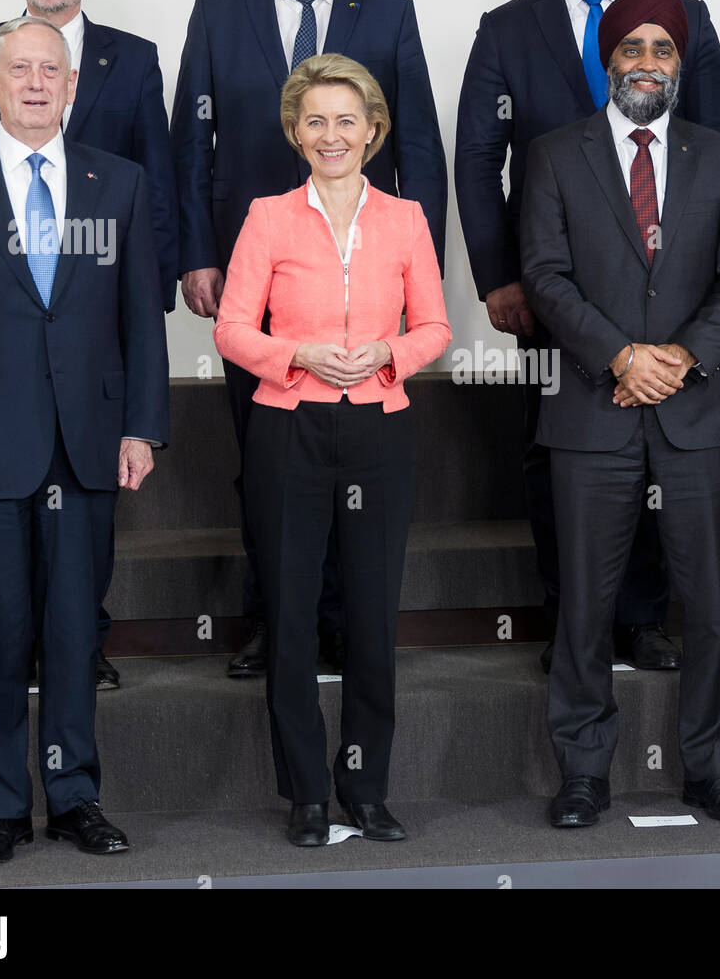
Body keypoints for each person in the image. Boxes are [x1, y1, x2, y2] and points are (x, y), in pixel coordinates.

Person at [0, 16, 169, 862]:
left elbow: (141, 326)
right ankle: (4, 808)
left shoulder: (117, 184)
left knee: (73, 636)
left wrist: (142, 426)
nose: (36, 81)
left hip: (89, 441)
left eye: (51, 68)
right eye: (18, 68)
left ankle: (77, 797)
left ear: (73, 84)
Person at [457, 0, 720, 675]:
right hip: (554, 292)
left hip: (674, 296)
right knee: (558, 452)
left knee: (658, 444)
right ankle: (571, 618)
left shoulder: (681, 18)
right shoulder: (507, 26)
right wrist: (498, 276)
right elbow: (477, 159)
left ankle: (643, 617)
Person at [173, 0, 446, 682]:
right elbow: (193, 145)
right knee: (266, 446)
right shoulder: (217, 16)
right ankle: (272, 617)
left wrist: (411, 276)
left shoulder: (389, 13)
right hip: (250, 278)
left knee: (354, 454)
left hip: (361, 281)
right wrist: (197, 253)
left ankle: (341, 623)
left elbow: (421, 149)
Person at [520, 0, 720, 828]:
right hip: (592, 411)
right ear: (608, 61)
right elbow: (545, 277)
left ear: (680, 63)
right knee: (585, 604)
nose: (648, 63)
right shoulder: (554, 155)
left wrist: (681, 358)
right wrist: (623, 357)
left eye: (663, 49)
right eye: (633, 49)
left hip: (695, 415)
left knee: (706, 605)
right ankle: (584, 773)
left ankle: (713, 770)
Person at [0, 0, 178, 691]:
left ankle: (78, 647)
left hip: (92, 332)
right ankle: (12, 654)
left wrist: (154, 295)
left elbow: (156, 178)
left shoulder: (130, 60)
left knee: (82, 544)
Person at [214, 53, 450, 847]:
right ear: (295, 131)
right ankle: (307, 794)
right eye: (315, 120)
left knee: (372, 614)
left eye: (347, 119)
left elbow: (437, 329)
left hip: (379, 427)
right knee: (288, 614)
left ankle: (367, 787)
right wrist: (300, 355)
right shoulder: (267, 217)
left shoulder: (407, 218)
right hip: (291, 427)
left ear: (374, 130)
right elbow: (231, 328)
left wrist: (388, 352)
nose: (331, 134)